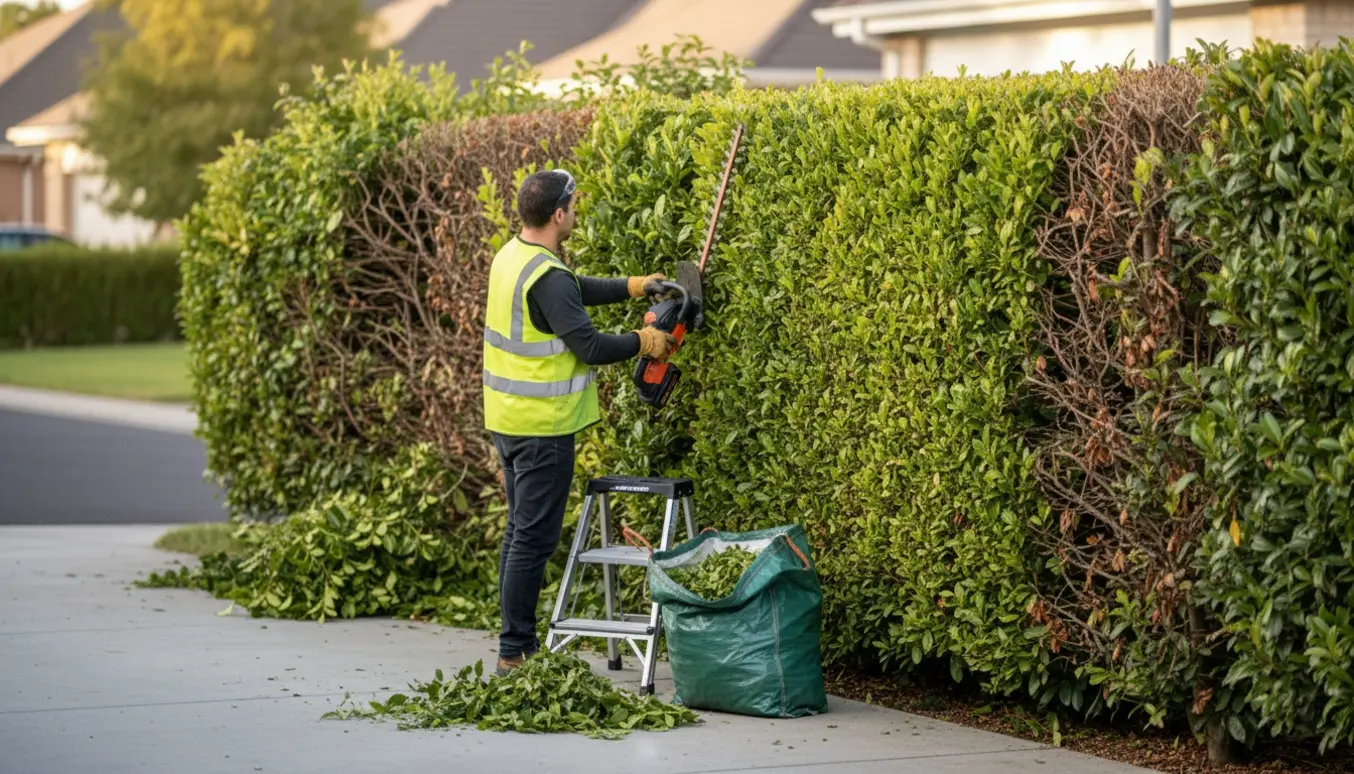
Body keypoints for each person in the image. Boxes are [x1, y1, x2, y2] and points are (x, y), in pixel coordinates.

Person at [481, 168, 676, 676]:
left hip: (508, 420)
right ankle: (515, 653)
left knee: (518, 534)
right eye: (572, 205)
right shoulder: (545, 275)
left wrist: (634, 286)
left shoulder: (514, 257)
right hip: (541, 429)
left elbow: (571, 290)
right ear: (558, 214)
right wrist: (644, 341)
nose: (576, 212)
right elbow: (588, 345)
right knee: (532, 541)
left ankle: (514, 647)